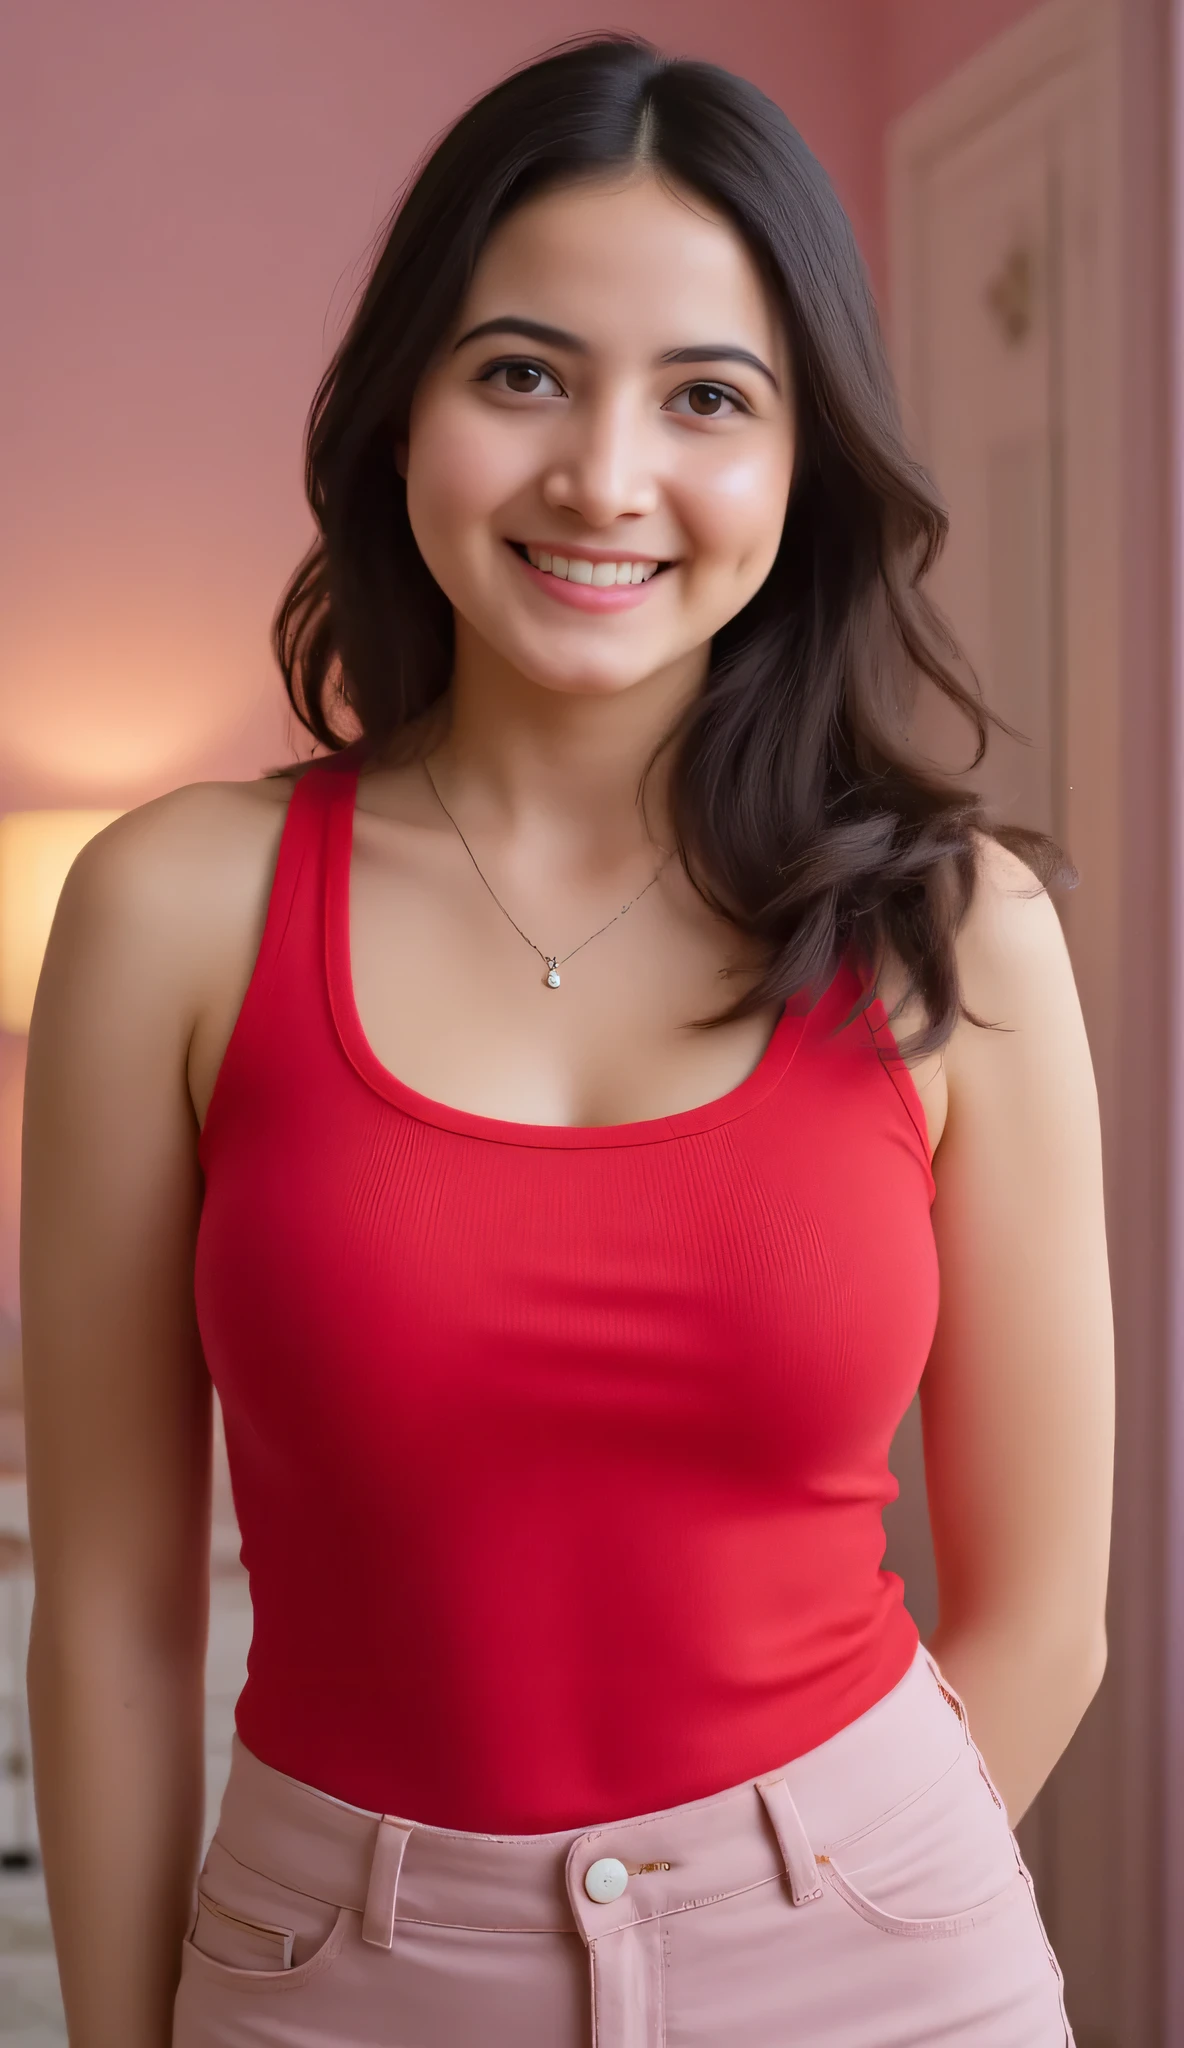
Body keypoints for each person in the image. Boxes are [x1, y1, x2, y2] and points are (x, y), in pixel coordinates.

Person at [20, 31, 1114, 2048]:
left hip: (880, 1971)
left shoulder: (959, 937)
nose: (603, 476)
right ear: (401, 407)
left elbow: (1048, 1610)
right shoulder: (173, 909)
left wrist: (831, 1915)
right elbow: (108, 1615)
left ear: (805, 458)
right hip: (328, 1979)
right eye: (520, 370)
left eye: (707, 396)